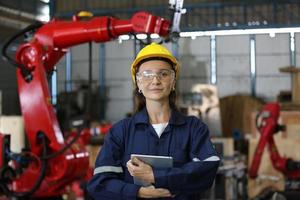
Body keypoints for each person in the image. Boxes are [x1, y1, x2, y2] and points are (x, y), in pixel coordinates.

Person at [87, 42, 220, 200]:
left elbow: (207, 170)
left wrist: (155, 175)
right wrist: (138, 192)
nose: (155, 80)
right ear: (138, 83)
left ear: (173, 82)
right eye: (147, 74)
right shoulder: (121, 131)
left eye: (163, 74)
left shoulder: (194, 128)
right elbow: (100, 184)